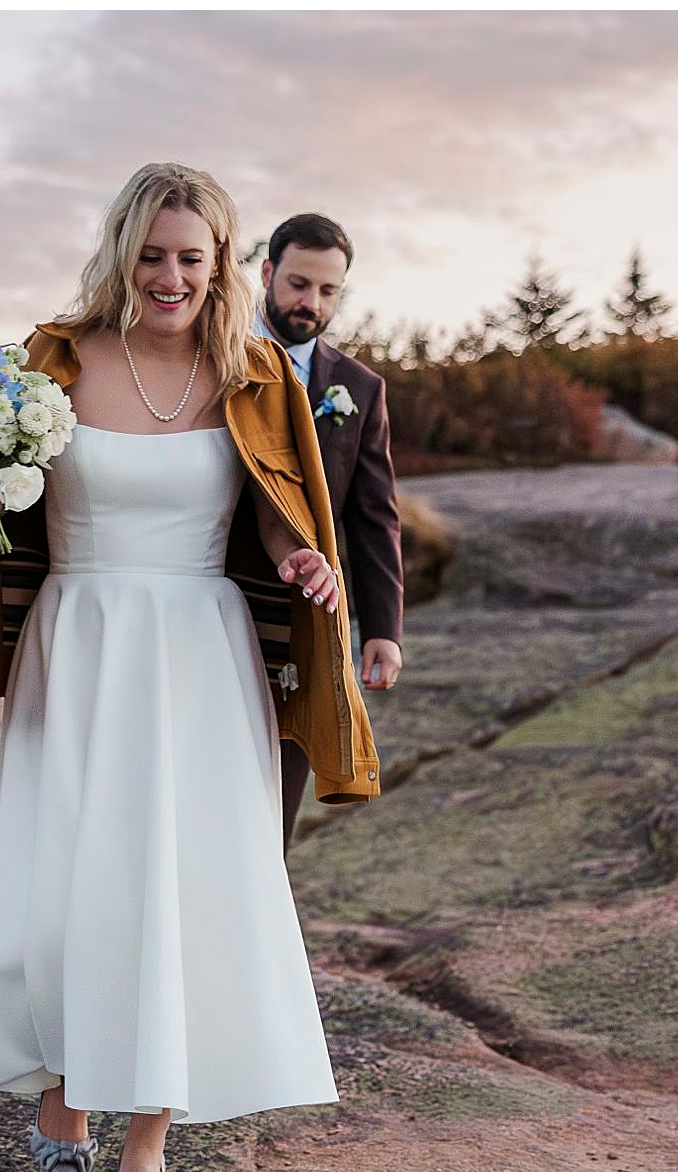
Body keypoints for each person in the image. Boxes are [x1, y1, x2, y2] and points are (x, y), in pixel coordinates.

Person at [0, 162, 382, 1172]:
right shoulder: (50, 362)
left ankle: (145, 1149)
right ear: (121, 251)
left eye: (189, 258)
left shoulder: (252, 370)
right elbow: (7, 504)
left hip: (200, 655)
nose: (168, 276)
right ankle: (64, 1074)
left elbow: (271, 509)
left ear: (222, 265)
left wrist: (303, 556)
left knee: (178, 894)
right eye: (151, 254)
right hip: (76, 646)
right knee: (75, 883)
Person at [250, 214, 405, 850]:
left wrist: (383, 630)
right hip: (207, 593)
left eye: (327, 291)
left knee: (277, 803)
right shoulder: (211, 357)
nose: (309, 303)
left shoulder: (358, 388)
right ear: (267, 274)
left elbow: (373, 515)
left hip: (305, 616)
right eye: (297, 284)